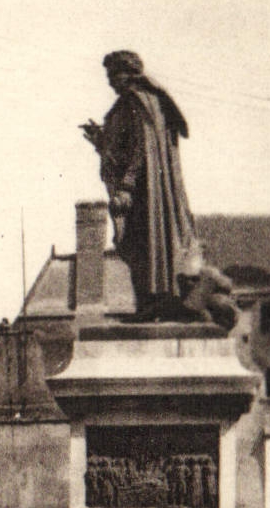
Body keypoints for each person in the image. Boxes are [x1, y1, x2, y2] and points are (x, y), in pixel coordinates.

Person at [81, 50, 202, 320]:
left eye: (114, 75)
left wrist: (125, 187)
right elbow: (123, 151)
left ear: (130, 73)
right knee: (139, 247)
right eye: (109, 76)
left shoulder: (139, 102)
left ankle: (154, 304)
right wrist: (100, 140)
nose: (110, 82)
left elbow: (141, 150)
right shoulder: (135, 104)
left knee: (142, 245)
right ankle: (148, 304)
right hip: (142, 191)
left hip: (144, 195)